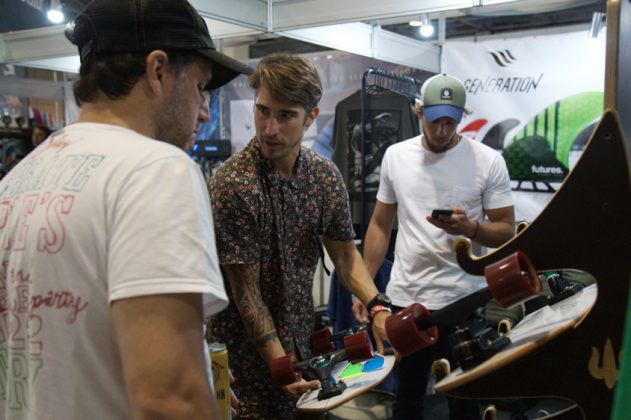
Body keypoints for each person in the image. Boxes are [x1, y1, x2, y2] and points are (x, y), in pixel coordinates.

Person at [0, 1, 250, 419]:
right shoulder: (155, 171)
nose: (205, 110)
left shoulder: (16, 183)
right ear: (157, 71)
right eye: (200, 87)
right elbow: (170, 401)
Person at [208, 53, 392, 419]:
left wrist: (377, 307)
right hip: (244, 362)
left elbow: (344, 254)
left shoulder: (324, 178)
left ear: (311, 116)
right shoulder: (235, 184)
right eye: (263, 111)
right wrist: (280, 365)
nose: (269, 128)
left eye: (285, 115)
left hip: (305, 346)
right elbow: (248, 294)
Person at [353, 73, 516, 419]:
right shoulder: (396, 156)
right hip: (407, 298)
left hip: (464, 299)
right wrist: (364, 289)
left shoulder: (487, 161)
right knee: (408, 401)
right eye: (434, 119)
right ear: (418, 112)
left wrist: (470, 227)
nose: (442, 130)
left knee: (465, 401)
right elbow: (381, 225)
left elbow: (506, 231)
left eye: (450, 121)